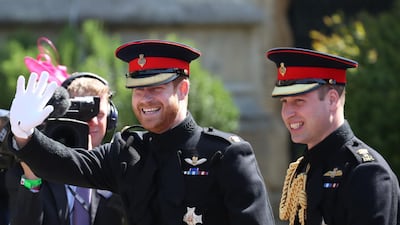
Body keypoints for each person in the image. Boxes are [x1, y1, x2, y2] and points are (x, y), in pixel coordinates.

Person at [7, 40, 275, 225]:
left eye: (155, 88)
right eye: (138, 89)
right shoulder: (128, 152)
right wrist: (25, 135)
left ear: (182, 90)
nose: (145, 99)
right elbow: (69, 164)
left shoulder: (225, 155)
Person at [266, 47, 400, 225]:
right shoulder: (304, 168)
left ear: (332, 100)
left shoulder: (366, 173)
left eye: (299, 101)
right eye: (284, 102)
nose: (288, 113)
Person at [6, 72, 128, 225]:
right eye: (83, 114)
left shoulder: (119, 165)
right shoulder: (26, 170)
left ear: (111, 120)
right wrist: (32, 178)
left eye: (100, 114)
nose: (92, 122)